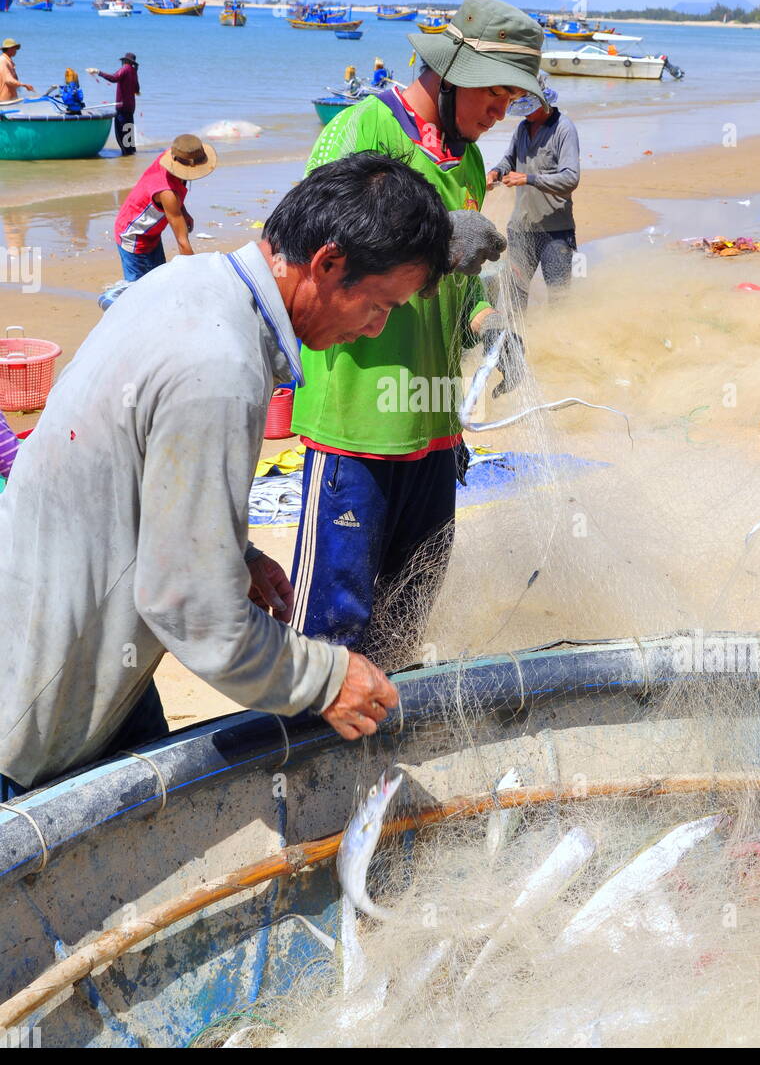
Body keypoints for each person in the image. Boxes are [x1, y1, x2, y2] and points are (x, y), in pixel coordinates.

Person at [0, 152, 451, 798]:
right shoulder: (220, 367)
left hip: (91, 656)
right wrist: (325, 677)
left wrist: (229, 550)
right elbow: (195, 615)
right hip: (36, 716)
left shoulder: (186, 283)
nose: (374, 330)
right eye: (379, 306)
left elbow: (132, 473)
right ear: (327, 265)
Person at [289, 0, 546, 662]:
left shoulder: (463, 162)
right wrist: (432, 244)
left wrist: (486, 320)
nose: (501, 111)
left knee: (407, 618)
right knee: (332, 628)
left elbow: (453, 285)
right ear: (452, 70)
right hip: (357, 424)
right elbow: (315, 258)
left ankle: (379, 756)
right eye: (494, 91)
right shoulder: (361, 133)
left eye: (513, 99)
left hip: (430, 427)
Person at [486, 75, 580, 312]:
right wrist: (496, 172)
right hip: (521, 228)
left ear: (543, 101)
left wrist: (528, 178)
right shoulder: (522, 128)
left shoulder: (564, 129)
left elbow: (571, 178)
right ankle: (517, 343)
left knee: (560, 299)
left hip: (556, 231)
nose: (525, 114)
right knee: (515, 296)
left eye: (529, 107)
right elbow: (509, 159)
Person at [114, 133, 217, 282]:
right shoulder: (167, 193)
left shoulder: (172, 156)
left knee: (159, 279)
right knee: (139, 289)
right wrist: (195, 276)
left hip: (152, 233)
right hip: (133, 236)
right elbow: (183, 242)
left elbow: (177, 191)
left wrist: (183, 211)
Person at [87, 51, 140, 153]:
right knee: (129, 130)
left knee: (121, 132)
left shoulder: (125, 69)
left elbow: (114, 78)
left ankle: (126, 155)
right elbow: (137, 90)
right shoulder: (134, 72)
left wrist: (98, 72)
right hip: (131, 107)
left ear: (125, 61)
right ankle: (131, 153)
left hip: (122, 107)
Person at [0, 38, 34, 104]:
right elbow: (8, 79)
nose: (16, 51)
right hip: (4, 100)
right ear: (10, 48)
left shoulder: (8, 61)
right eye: (15, 48)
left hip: (9, 99)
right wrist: (24, 85)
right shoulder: (3, 60)